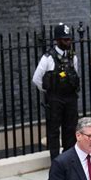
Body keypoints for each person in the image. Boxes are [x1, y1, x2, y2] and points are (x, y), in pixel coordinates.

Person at [32, 23, 79, 160]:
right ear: (57, 40)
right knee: (53, 131)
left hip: (70, 97)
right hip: (55, 98)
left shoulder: (72, 57)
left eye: (69, 39)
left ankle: (68, 158)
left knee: (70, 129)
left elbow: (75, 74)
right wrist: (48, 91)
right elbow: (36, 78)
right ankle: (56, 161)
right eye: (65, 39)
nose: (68, 41)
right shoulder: (48, 58)